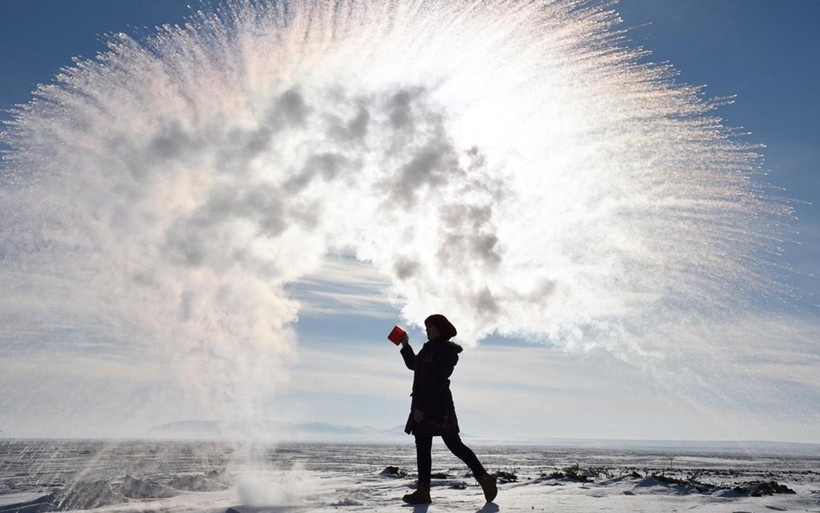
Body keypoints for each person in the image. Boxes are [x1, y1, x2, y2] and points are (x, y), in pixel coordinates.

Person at [398, 314, 497, 504]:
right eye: (426, 327)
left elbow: (438, 383)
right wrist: (405, 345)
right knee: (423, 447)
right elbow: (414, 365)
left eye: (431, 327)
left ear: (440, 329)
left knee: (454, 444)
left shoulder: (445, 351)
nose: (427, 330)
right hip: (423, 405)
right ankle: (423, 490)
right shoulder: (428, 349)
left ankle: (485, 478)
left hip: (438, 406)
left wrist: (422, 408)